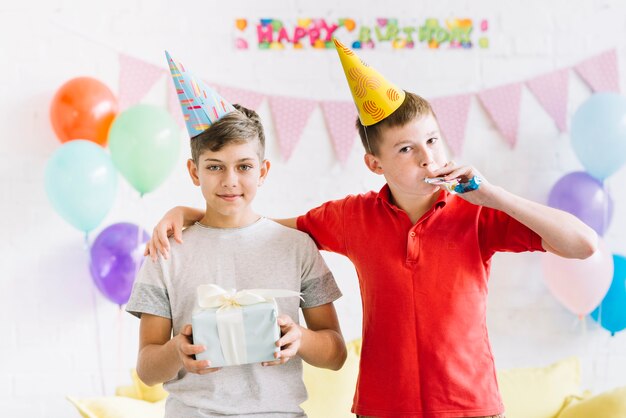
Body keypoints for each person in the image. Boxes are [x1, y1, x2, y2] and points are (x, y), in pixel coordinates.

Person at [145, 43, 598, 417]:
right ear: (374, 164)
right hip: (382, 408)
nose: (427, 158)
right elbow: (261, 227)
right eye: (406, 148)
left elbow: (583, 245)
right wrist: (194, 213)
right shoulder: (351, 217)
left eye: (432, 140)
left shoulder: (477, 213)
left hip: (471, 406)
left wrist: (494, 195)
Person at [126, 52, 346, 418]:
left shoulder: (296, 248)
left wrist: (301, 339)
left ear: (263, 171)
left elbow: (336, 353)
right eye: (214, 167)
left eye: (244, 166)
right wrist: (176, 352)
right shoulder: (167, 251)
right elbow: (147, 369)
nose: (230, 180)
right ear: (194, 173)